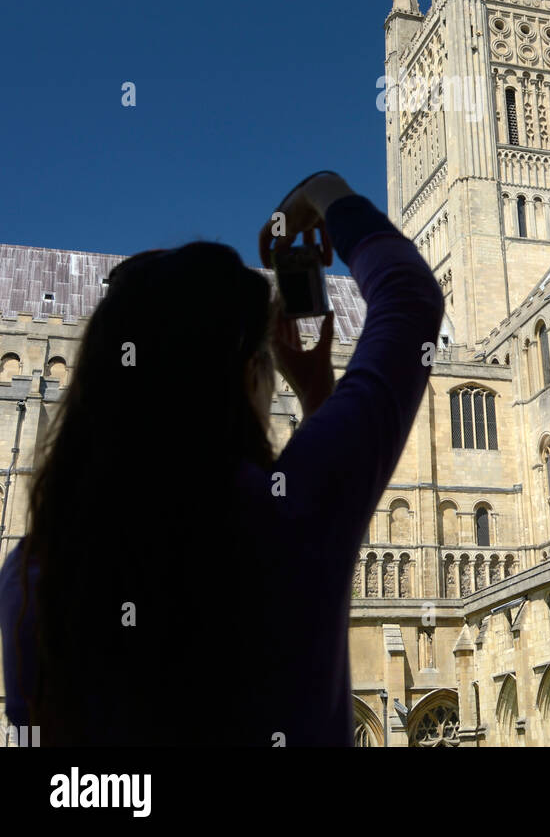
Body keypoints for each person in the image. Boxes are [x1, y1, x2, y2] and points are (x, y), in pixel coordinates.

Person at [0, 171, 444, 745]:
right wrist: (323, 193)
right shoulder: (294, 514)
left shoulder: (33, 577)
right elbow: (410, 297)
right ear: (249, 376)